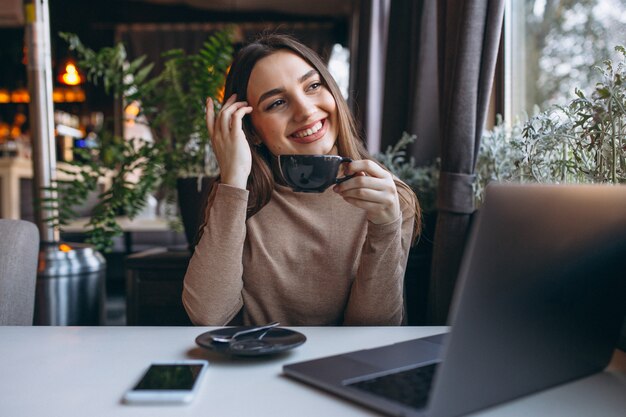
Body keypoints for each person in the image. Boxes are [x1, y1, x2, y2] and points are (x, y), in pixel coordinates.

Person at [182, 34, 421, 326]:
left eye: (313, 86)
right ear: (252, 131)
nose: (306, 110)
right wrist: (233, 180)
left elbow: (372, 331)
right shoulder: (239, 197)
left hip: (346, 368)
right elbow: (208, 315)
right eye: (277, 102)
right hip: (256, 368)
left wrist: (385, 228)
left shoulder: (388, 197)